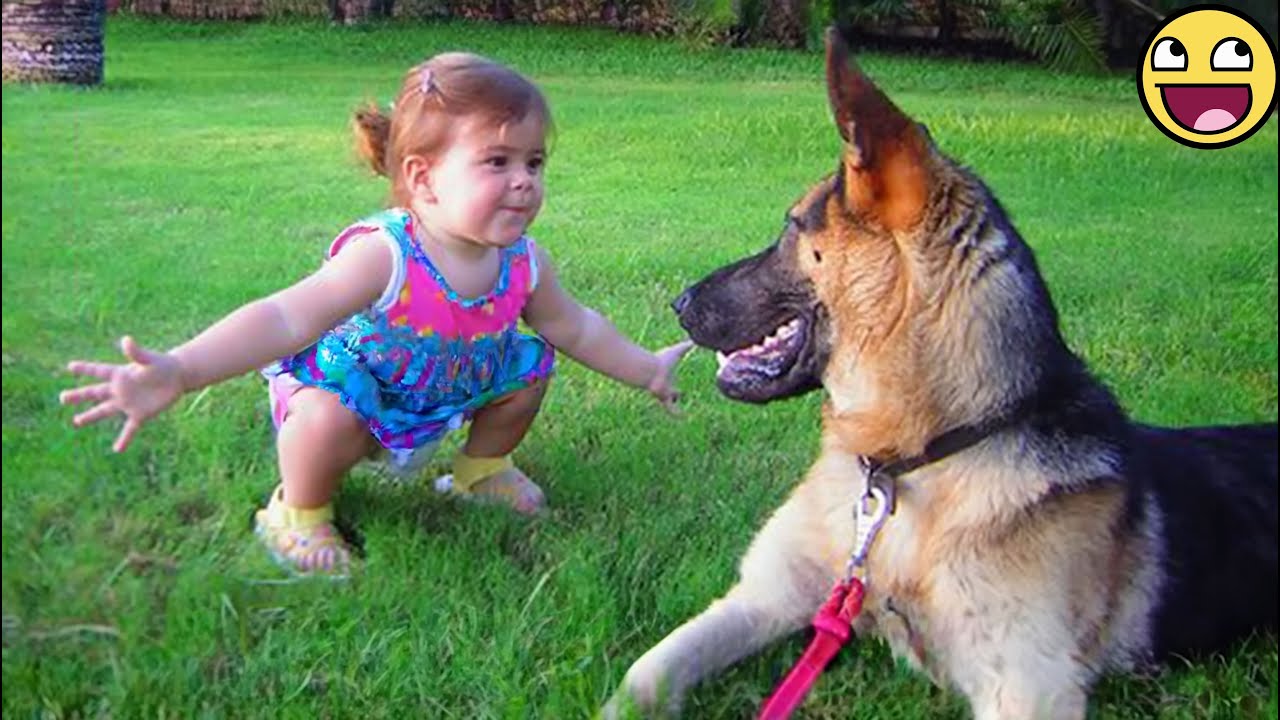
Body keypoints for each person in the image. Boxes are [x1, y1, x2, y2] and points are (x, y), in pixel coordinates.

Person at [59, 52, 693, 578]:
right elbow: (284, 318)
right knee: (327, 416)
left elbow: (573, 326)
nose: (524, 181)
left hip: (446, 392)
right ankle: (299, 513)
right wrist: (179, 369)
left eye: (534, 162)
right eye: (497, 162)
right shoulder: (384, 255)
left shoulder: (524, 263)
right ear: (422, 180)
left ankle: (480, 470)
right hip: (361, 393)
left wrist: (644, 367)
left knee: (530, 366)